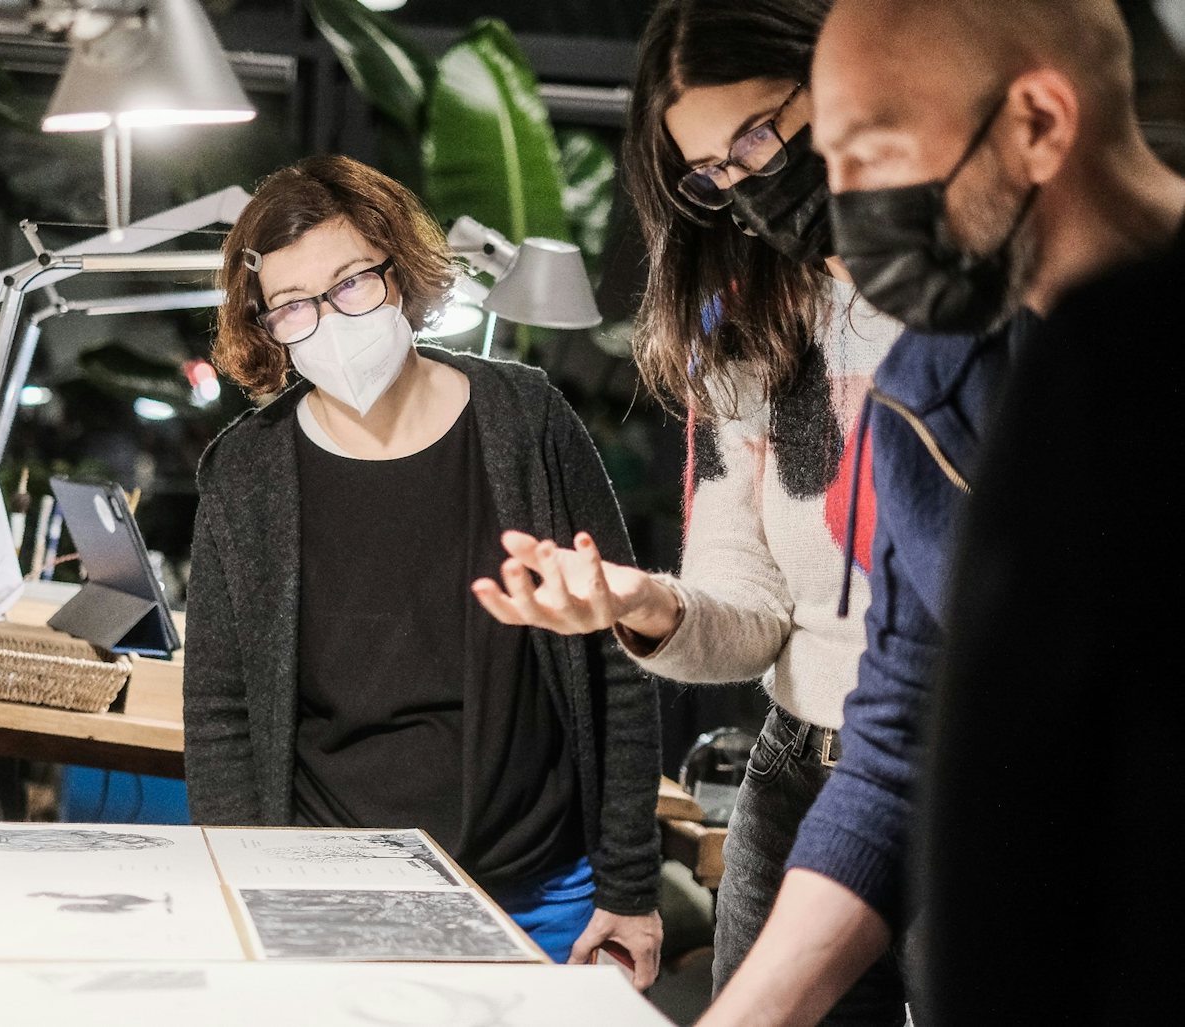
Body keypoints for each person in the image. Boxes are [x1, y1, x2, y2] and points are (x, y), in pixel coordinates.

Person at [693, 1, 1185, 1024]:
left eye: (871, 155)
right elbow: (899, 740)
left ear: (1038, 124)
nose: (842, 205)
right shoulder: (922, 391)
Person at [470, 1, 914, 1020]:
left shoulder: (984, 311)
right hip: (802, 773)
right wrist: (645, 605)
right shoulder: (749, 333)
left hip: (980, 776)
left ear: (838, 76)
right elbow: (749, 611)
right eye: (712, 171)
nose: (747, 181)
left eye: (758, 134)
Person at [181, 154, 663, 983]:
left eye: (351, 283)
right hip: (329, 896)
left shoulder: (526, 418)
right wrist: (250, 886)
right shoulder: (246, 471)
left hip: (540, 890)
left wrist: (631, 883)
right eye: (293, 305)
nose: (329, 318)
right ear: (266, 326)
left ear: (397, 272)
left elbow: (619, 654)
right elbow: (221, 710)